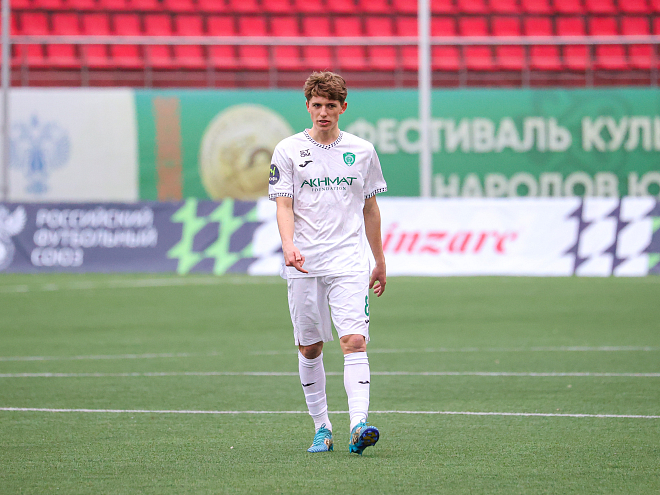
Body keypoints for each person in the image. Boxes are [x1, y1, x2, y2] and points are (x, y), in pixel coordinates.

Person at [268, 71, 387, 455]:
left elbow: (370, 208)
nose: (323, 112)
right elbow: (283, 204)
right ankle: (322, 427)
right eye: (317, 105)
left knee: (354, 341)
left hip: (348, 261)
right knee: (310, 348)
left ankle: (358, 425)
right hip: (304, 264)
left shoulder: (362, 151)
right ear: (307, 106)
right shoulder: (287, 150)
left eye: (330, 105)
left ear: (343, 108)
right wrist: (288, 245)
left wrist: (379, 260)